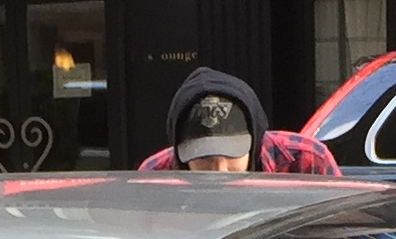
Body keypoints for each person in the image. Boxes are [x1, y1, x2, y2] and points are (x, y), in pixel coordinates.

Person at [138, 67, 338, 177]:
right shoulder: (153, 177)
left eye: (231, 154)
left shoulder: (307, 161)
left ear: (255, 140)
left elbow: (343, 233)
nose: (219, 171)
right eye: (204, 158)